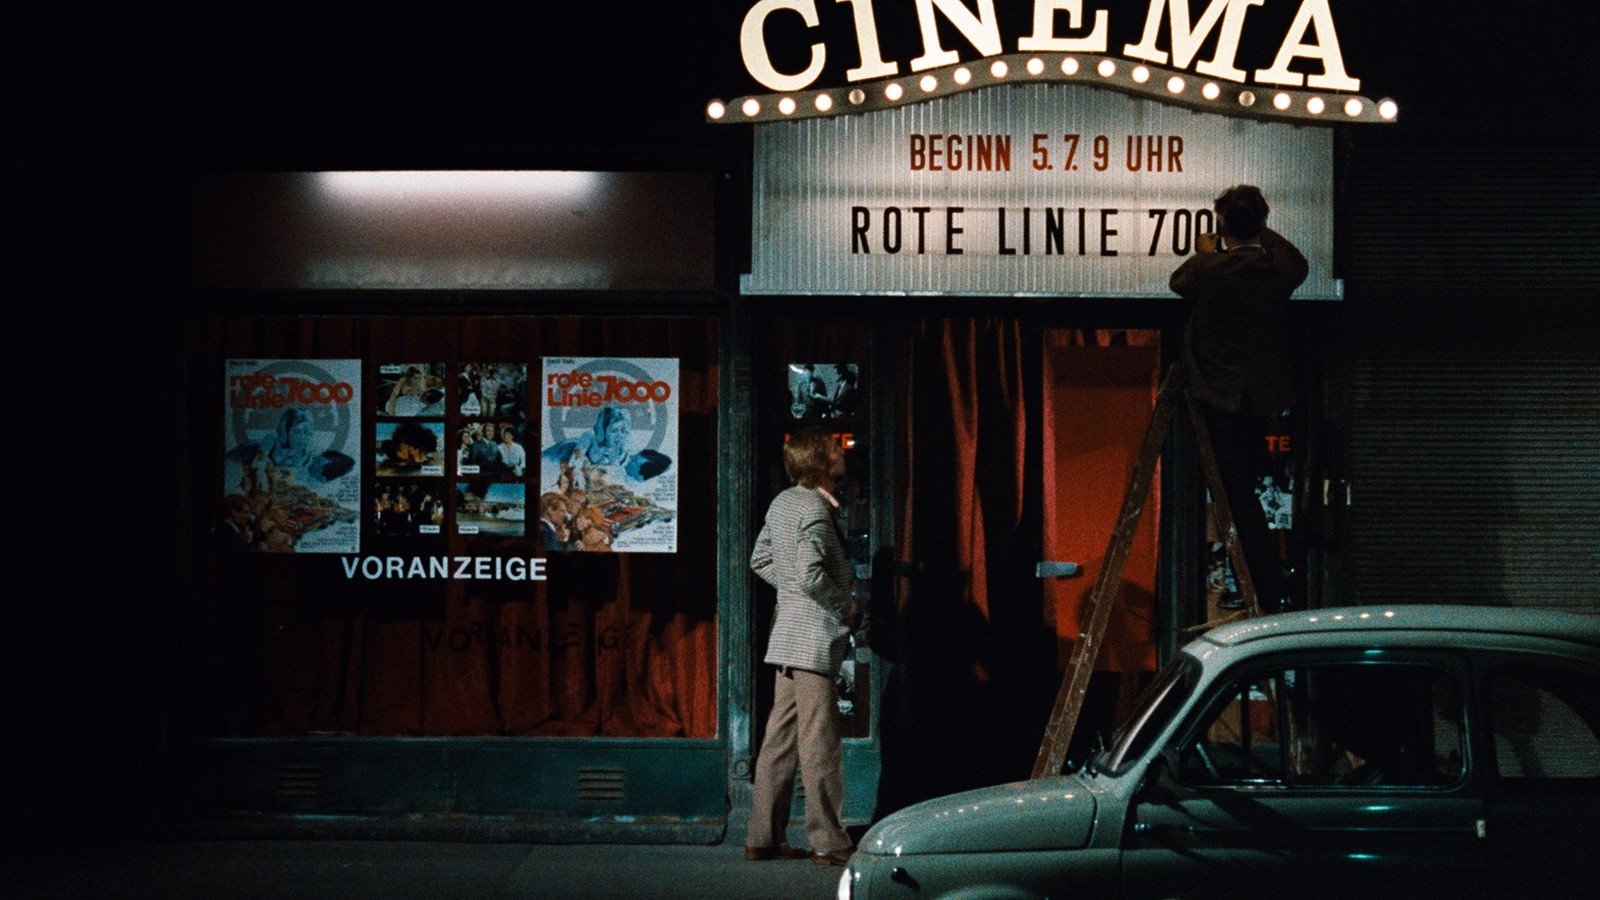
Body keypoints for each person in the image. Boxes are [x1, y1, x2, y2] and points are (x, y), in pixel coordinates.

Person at [1170, 185, 1308, 612]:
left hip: (1217, 396)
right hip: (1259, 398)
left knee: (1232, 491)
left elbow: (1178, 281)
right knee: (1245, 487)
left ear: (1223, 226)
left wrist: (1213, 249)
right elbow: (1298, 261)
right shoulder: (1277, 270)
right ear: (1262, 223)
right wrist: (1258, 234)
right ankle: (1263, 582)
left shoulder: (1212, 270)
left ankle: (1255, 584)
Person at [745, 426, 857, 867]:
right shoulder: (812, 507)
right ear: (819, 462)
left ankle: (762, 836)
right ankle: (828, 840)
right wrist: (844, 608)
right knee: (818, 740)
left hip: (788, 632)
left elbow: (761, 560)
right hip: (811, 635)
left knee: (781, 737)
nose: (841, 451)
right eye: (834, 448)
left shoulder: (783, 501)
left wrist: (790, 593)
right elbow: (811, 574)